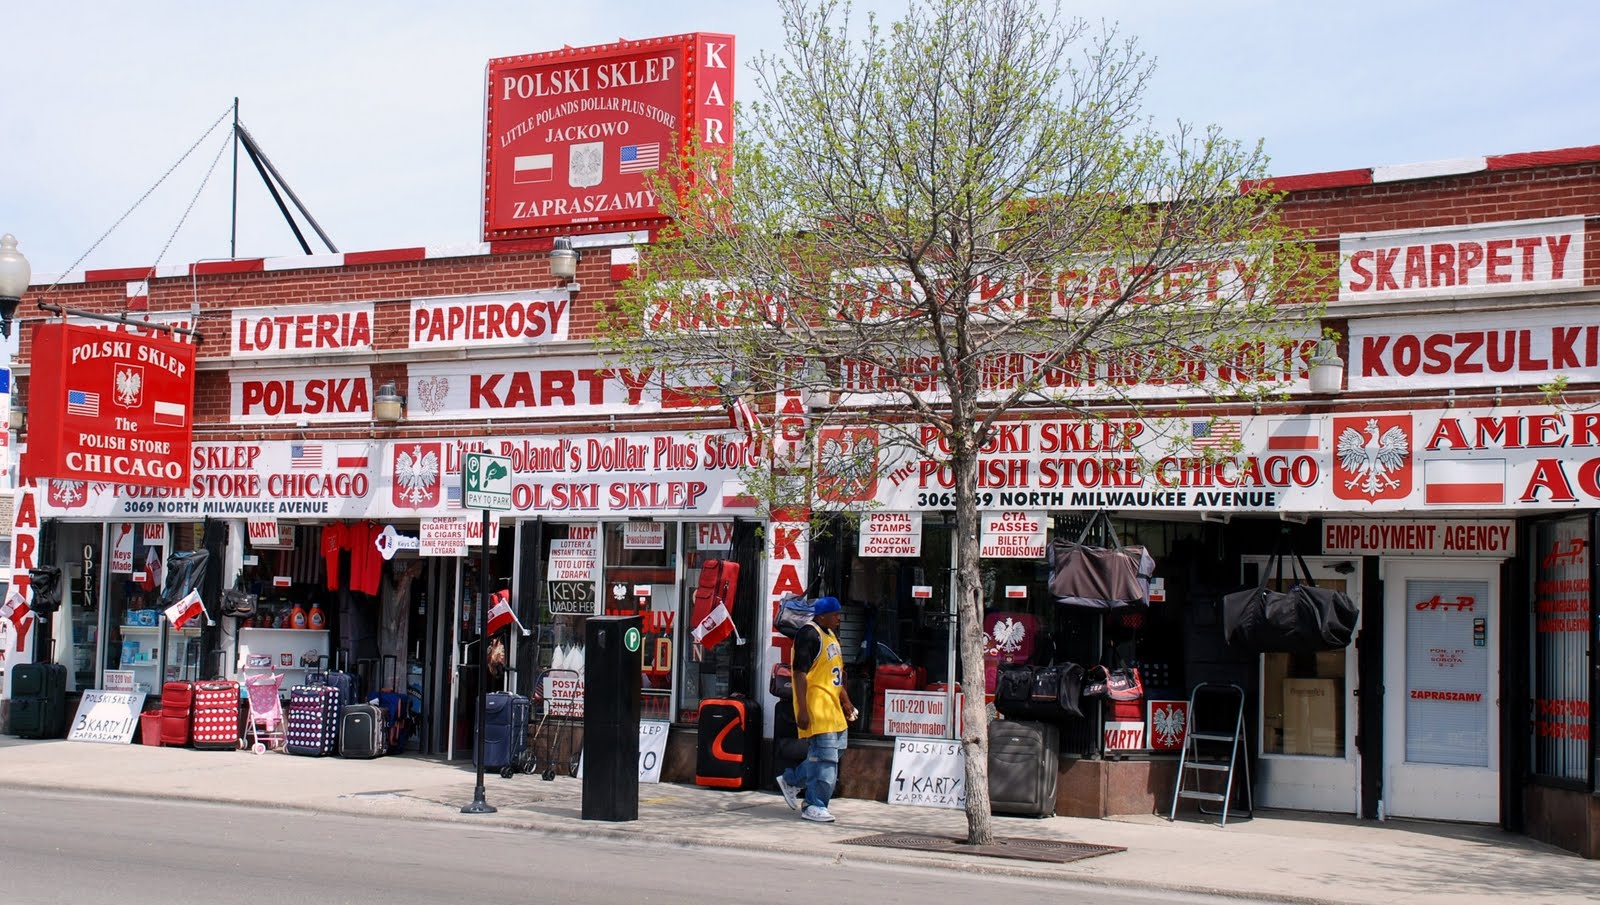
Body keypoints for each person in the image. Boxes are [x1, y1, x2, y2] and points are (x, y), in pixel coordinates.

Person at [776, 596, 857, 823]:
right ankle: (814, 805)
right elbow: (799, 674)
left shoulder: (831, 636)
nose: (839, 618)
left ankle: (791, 780)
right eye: (835, 614)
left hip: (833, 706)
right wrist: (802, 710)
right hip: (817, 707)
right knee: (826, 761)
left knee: (830, 754)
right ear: (822, 616)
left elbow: (835, 673)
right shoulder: (809, 634)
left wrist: (846, 701)